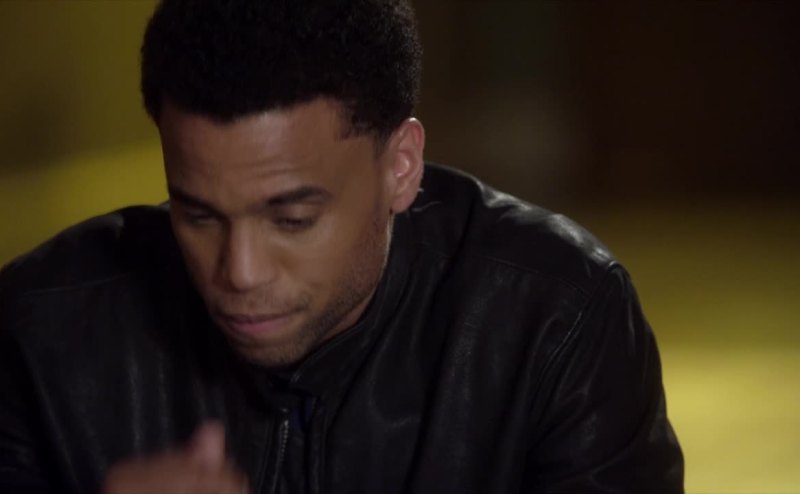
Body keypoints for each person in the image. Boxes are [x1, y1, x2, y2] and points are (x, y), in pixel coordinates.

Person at [0, 0, 684, 492]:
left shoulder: (557, 322)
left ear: (401, 167)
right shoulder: (39, 336)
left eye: (293, 218)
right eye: (199, 214)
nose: (240, 272)